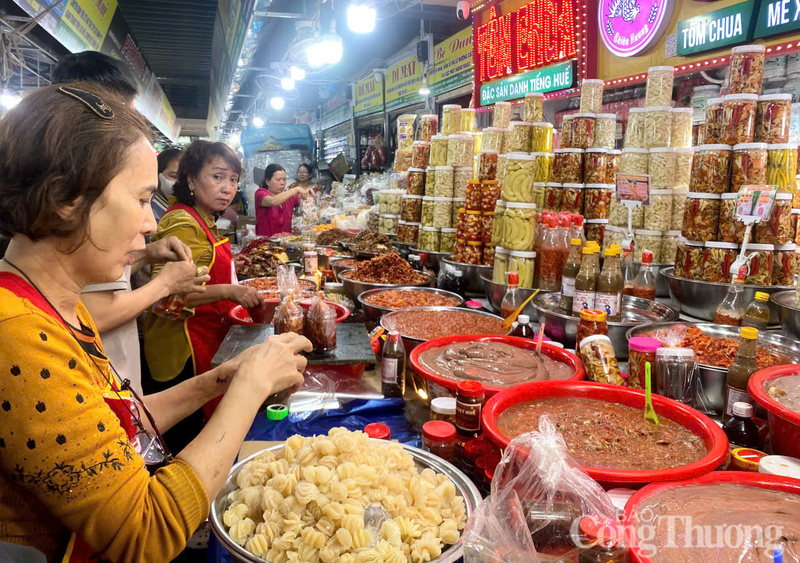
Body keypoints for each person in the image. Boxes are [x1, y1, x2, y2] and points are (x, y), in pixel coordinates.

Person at [0, 83, 310, 561]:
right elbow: (144, 532)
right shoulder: (14, 333)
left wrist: (223, 379)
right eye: (143, 199)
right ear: (65, 198)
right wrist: (248, 389)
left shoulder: (57, 302)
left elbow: (120, 423)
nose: (150, 225)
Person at [51, 53, 199, 394]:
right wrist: (164, 285)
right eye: (141, 200)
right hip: (94, 379)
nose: (148, 226)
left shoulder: (99, 189)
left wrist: (147, 256)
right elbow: (90, 313)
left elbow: (106, 278)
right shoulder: (78, 192)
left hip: (122, 369)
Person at [143, 141, 262, 452]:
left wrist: (230, 267)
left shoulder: (202, 217)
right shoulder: (182, 222)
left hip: (207, 337)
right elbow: (165, 296)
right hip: (184, 349)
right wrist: (229, 290)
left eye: (234, 180)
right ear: (191, 180)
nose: (227, 188)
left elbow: (199, 268)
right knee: (191, 442)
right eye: (218, 177)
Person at [254, 163, 314, 237]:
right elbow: (273, 201)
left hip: (286, 244)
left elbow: (302, 199)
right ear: (268, 181)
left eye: (284, 179)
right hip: (266, 245)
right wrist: (296, 189)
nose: (282, 183)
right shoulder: (260, 194)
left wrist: (307, 195)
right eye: (278, 180)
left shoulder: (287, 196)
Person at [154, 148, 182, 221]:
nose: (180, 182)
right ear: (157, 174)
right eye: (174, 176)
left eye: (184, 178)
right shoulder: (152, 212)